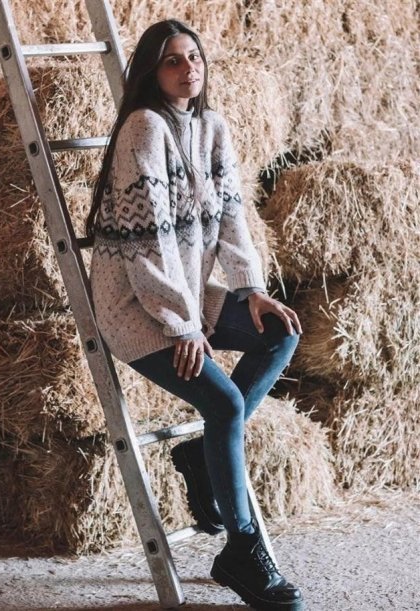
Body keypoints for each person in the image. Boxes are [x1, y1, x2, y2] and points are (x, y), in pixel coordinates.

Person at [86, 18, 304, 611]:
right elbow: (147, 243)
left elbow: (233, 216)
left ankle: (202, 458)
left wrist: (251, 289)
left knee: (279, 330)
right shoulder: (144, 127)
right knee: (225, 403)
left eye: (194, 57)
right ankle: (242, 548)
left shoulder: (211, 127)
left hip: (185, 292)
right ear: (152, 73)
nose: (189, 69)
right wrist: (180, 324)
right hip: (136, 304)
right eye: (173, 61)